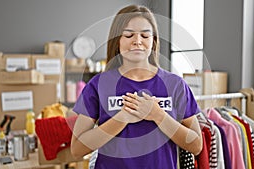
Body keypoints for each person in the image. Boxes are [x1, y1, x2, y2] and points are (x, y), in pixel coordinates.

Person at [71, 4, 203, 169]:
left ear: (153, 42)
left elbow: (196, 144)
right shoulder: (98, 85)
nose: (137, 41)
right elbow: (77, 149)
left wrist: (158, 115)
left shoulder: (175, 85)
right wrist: (121, 118)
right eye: (128, 35)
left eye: (145, 36)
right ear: (117, 41)